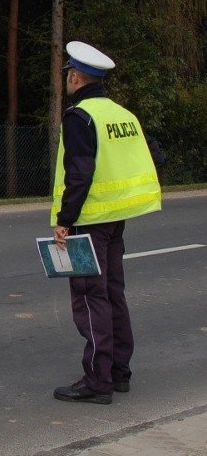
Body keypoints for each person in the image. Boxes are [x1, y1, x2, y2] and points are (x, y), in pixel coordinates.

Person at [51, 41, 162, 404]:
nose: (67, 79)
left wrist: (65, 221)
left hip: (89, 221)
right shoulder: (123, 115)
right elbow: (156, 156)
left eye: (68, 74)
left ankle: (98, 381)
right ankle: (119, 372)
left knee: (89, 295)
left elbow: (79, 175)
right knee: (113, 293)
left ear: (76, 77)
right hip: (116, 219)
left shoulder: (79, 116)